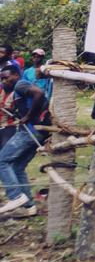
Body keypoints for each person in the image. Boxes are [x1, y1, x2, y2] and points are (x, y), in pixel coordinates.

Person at [0, 65, 47, 218]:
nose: (4, 81)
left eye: (6, 77)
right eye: (2, 79)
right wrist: (20, 114)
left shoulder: (20, 84)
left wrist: (27, 117)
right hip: (37, 131)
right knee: (18, 167)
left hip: (31, 131)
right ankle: (29, 207)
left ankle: (15, 196)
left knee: (2, 161)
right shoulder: (18, 91)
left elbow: (39, 94)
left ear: (15, 74)